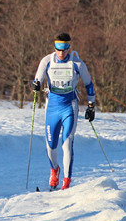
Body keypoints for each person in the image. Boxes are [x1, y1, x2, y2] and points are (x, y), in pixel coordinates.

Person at [32, 32, 95, 190]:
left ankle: (66, 181)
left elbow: (89, 84)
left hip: (69, 106)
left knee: (66, 144)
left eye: (64, 48)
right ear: (54, 47)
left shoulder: (77, 63)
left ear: (69, 48)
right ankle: (54, 170)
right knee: (50, 146)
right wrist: (36, 84)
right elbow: (37, 78)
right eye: (58, 48)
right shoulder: (47, 61)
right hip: (52, 107)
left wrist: (91, 106)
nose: (61, 52)